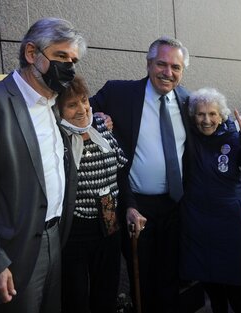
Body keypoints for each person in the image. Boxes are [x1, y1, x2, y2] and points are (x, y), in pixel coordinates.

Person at [0, 18, 85, 313]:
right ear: (32, 53)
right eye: (61, 56)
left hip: (55, 240)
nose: (69, 67)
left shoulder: (55, 103)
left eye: (73, 60)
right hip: (11, 253)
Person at [90, 36, 190, 313]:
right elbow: (79, 110)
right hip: (135, 206)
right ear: (148, 64)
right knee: (142, 278)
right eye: (161, 64)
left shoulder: (188, 101)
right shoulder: (118, 93)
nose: (168, 73)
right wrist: (96, 118)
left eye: (175, 67)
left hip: (174, 205)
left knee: (171, 275)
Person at [179, 88, 241, 313]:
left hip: (228, 223)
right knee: (211, 285)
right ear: (193, 116)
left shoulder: (235, 137)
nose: (206, 120)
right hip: (198, 222)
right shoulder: (187, 138)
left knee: (237, 286)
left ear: (221, 116)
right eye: (201, 114)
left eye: (212, 114)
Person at [57, 75, 127, 313]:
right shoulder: (57, 140)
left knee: (106, 291)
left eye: (84, 100)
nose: (82, 109)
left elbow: (120, 171)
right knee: (75, 296)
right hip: (76, 228)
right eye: (71, 104)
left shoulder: (102, 129)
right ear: (58, 111)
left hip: (109, 222)